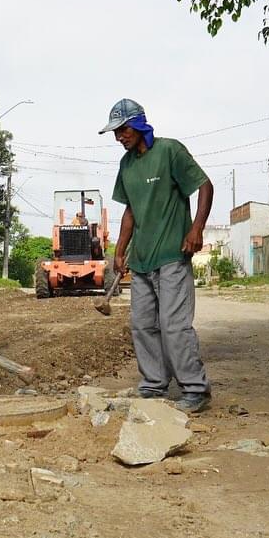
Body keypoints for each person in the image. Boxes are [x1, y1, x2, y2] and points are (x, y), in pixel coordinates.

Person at [100, 98, 214, 413]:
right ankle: (154, 386)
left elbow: (205, 186)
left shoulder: (169, 151)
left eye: (122, 130)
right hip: (141, 260)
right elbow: (130, 212)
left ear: (138, 124)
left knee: (174, 325)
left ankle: (195, 389)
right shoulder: (126, 165)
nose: (118, 137)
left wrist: (196, 229)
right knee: (142, 325)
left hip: (172, 256)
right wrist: (120, 250)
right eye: (115, 132)